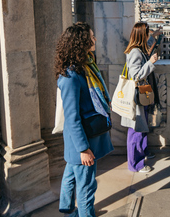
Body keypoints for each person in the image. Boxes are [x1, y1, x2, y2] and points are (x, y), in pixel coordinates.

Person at [55, 22, 114, 217]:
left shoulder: (86, 67)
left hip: (83, 138)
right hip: (83, 141)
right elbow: (71, 118)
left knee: (71, 175)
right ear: (81, 43)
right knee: (87, 186)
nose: (94, 39)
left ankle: (67, 211)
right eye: (91, 37)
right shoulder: (71, 77)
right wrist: (83, 149)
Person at [121, 22, 160, 173]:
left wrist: (154, 36)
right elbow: (135, 75)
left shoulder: (138, 49)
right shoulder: (135, 52)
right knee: (136, 130)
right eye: (147, 33)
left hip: (142, 95)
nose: (148, 35)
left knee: (142, 126)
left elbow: (147, 47)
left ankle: (143, 152)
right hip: (137, 96)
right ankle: (135, 164)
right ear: (141, 35)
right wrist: (150, 63)